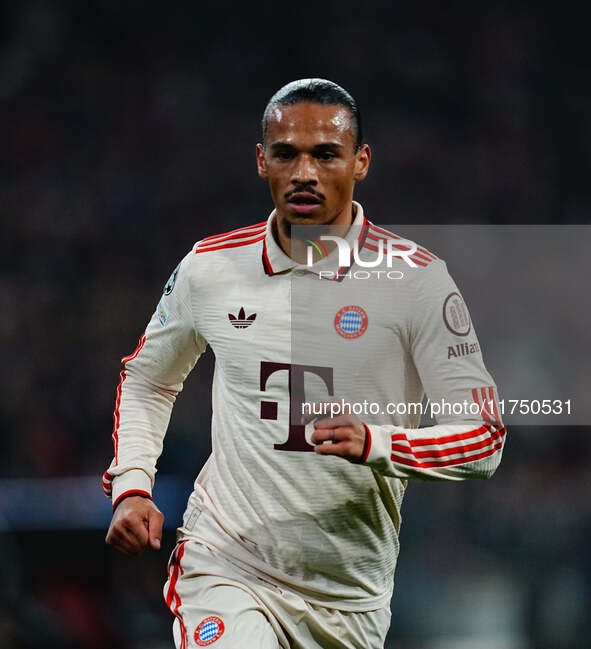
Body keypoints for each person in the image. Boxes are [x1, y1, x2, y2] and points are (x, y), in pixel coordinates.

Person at [103, 78, 506, 649]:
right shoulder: (210, 270)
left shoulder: (418, 283)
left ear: (360, 161)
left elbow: (483, 441)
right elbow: (148, 378)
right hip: (228, 562)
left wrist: (379, 443)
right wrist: (133, 484)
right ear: (261, 160)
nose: (304, 173)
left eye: (325, 155)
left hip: (350, 598)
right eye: (286, 153)